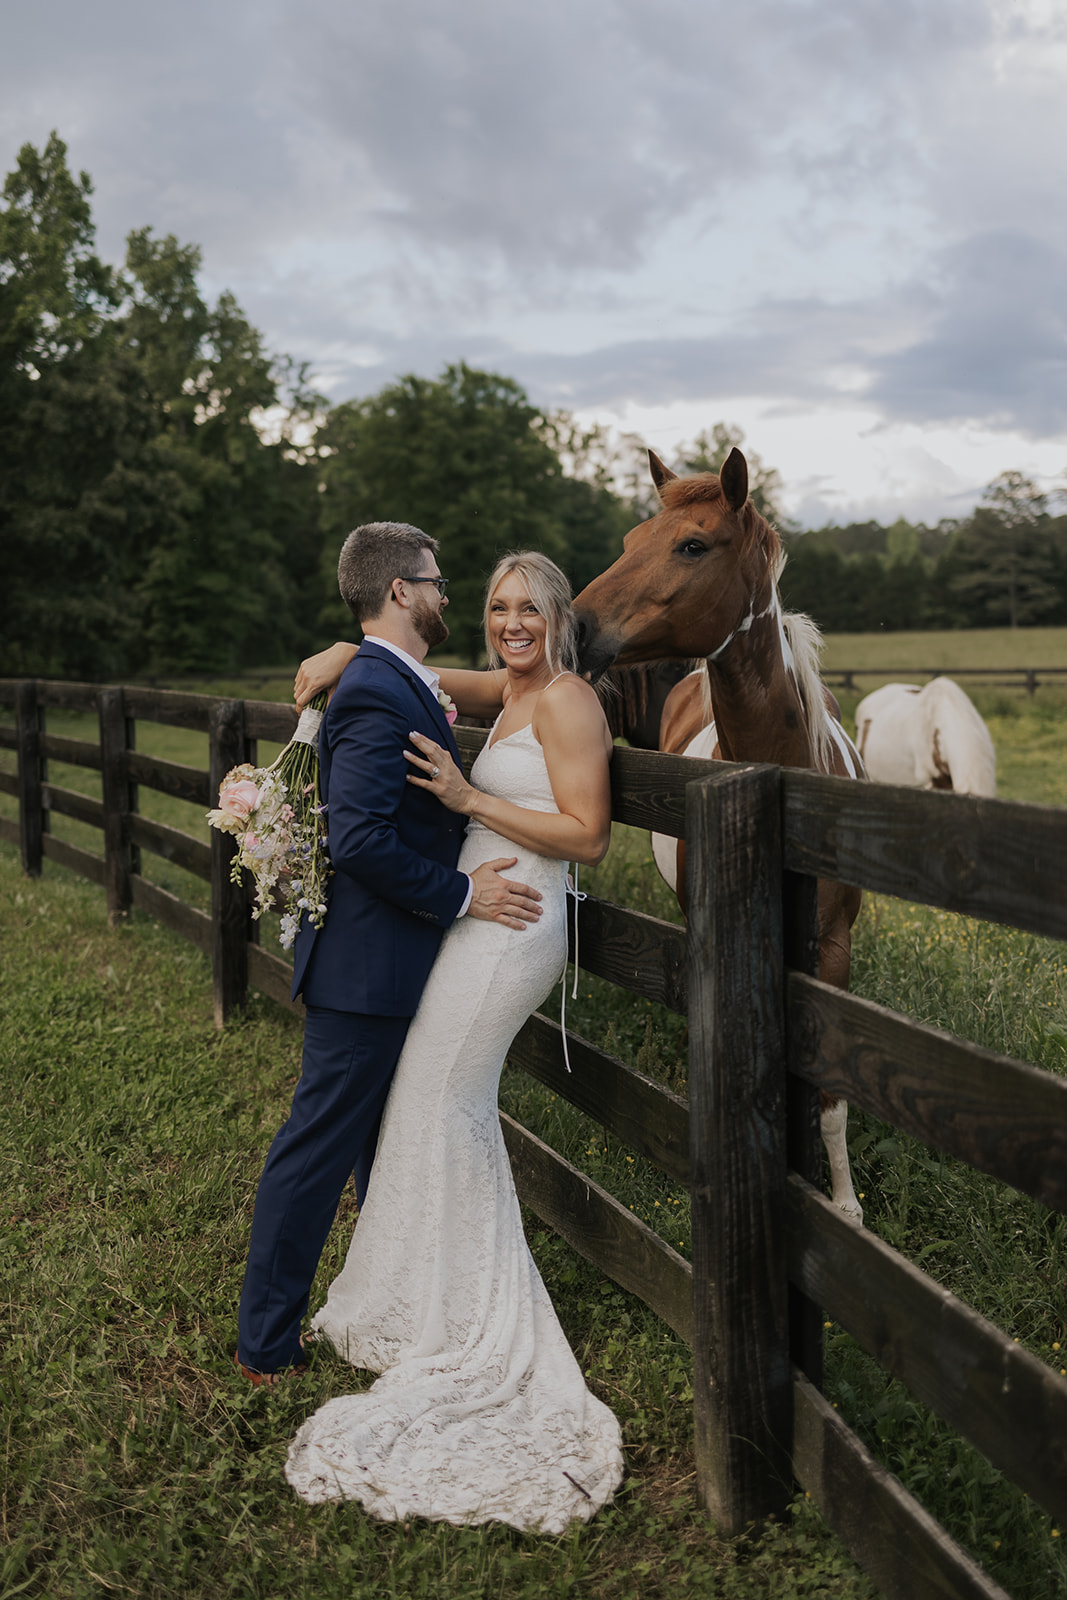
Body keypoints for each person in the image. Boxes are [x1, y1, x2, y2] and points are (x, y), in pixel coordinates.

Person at [283, 552, 624, 1532]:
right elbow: (406, 672)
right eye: (496, 607)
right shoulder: (507, 689)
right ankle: (421, 1301)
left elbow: (589, 833)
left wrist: (469, 800)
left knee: (442, 1101)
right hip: (471, 920)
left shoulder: (565, 702)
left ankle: (473, 1326)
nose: (510, 622)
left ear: (558, 618)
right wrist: (342, 646)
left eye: (529, 609)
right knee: (426, 1103)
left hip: (513, 927)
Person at [235, 523, 544, 1386]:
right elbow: (363, 841)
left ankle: (390, 1302)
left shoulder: (387, 678)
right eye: (439, 582)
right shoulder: (376, 690)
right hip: (368, 971)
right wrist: (462, 894)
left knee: (382, 1143)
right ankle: (264, 1344)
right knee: (317, 1147)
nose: (448, 596)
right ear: (402, 591)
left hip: (392, 963)